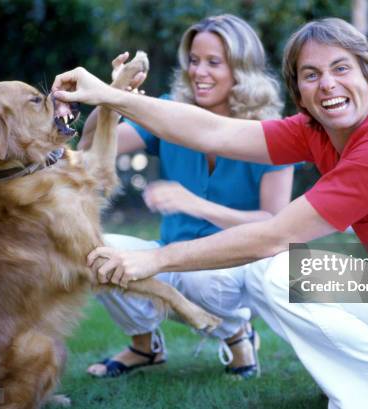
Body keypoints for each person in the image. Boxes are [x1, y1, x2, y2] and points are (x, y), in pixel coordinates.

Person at [53, 17, 368, 409]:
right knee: (302, 270)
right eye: (310, 74)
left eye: (340, 68)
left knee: (283, 271)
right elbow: (215, 132)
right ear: (299, 90)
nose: (327, 84)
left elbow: (274, 235)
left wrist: (157, 259)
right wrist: (114, 97)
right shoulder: (319, 130)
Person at [78, 14, 294, 379]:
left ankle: (238, 333)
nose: (199, 72)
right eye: (194, 60)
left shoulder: (273, 134)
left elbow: (275, 225)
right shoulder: (169, 110)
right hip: (168, 258)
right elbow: (88, 147)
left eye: (214, 62)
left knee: (201, 279)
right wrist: (113, 96)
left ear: (242, 70)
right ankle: (145, 347)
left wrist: (196, 205)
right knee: (95, 253)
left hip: (233, 269)